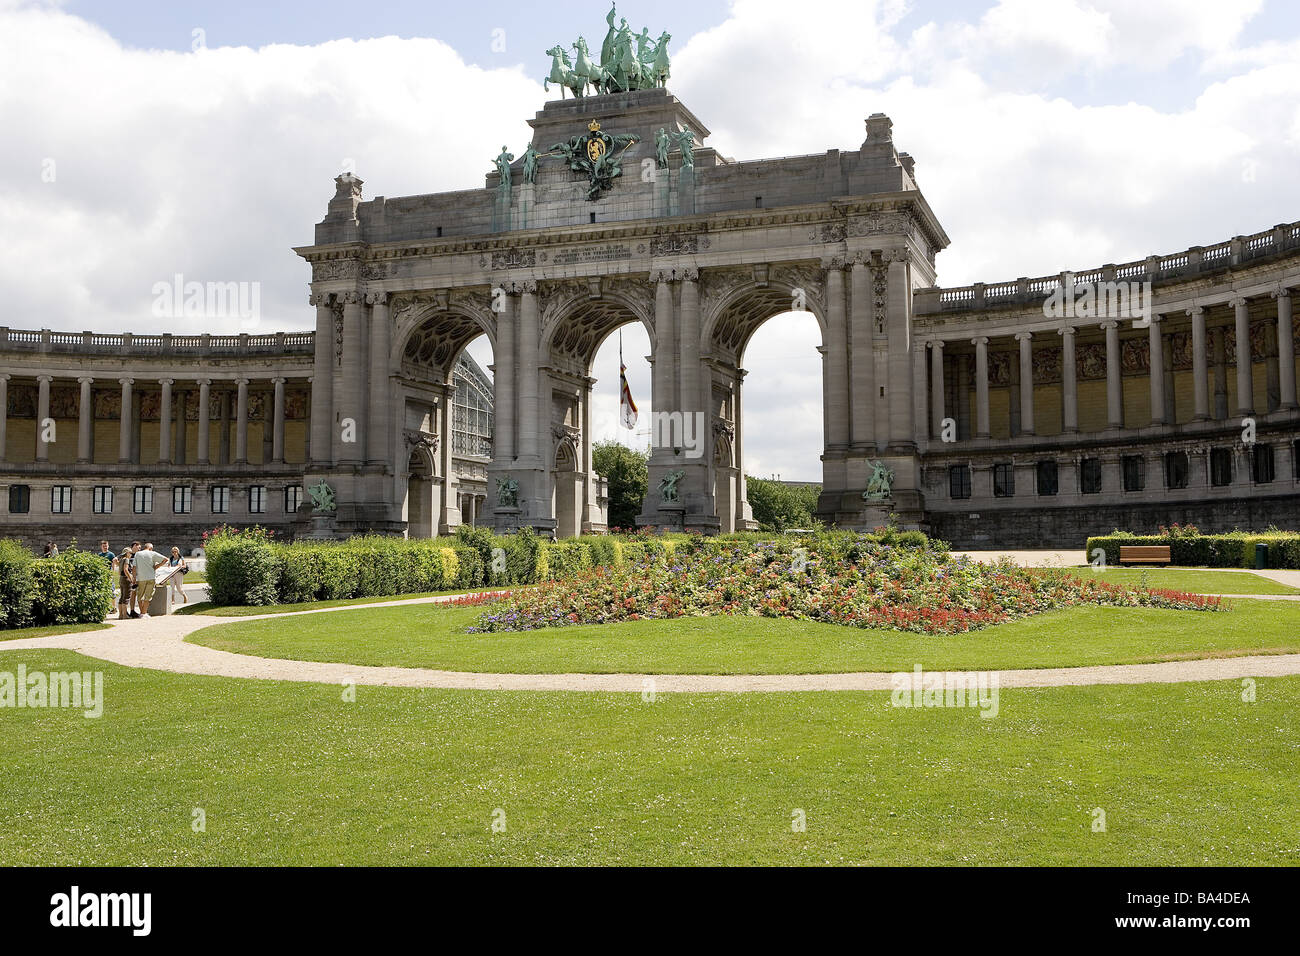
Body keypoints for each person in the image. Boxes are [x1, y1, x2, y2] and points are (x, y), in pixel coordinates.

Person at [132, 543, 168, 619]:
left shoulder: (137, 554)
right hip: (151, 577)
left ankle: (142, 613)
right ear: (151, 548)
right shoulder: (152, 553)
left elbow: (134, 567)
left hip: (141, 578)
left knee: (140, 596)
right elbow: (166, 559)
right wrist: (157, 566)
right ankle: (143, 613)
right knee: (148, 596)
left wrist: (134, 578)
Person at [117, 545, 136, 620]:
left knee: (122, 597)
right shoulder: (127, 560)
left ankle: (120, 615)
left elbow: (119, 571)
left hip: (121, 578)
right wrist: (130, 578)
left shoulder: (121, 559)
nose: (131, 554)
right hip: (126, 579)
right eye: (130, 553)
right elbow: (126, 570)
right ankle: (125, 615)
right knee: (126, 597)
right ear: (127, 553)